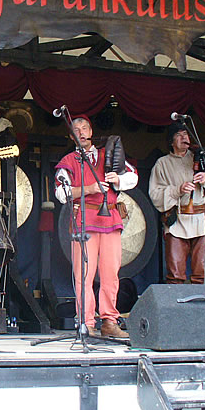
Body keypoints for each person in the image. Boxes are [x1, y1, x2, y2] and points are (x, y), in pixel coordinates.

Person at [55, 115, 137, 338]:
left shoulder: (107, 154)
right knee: (84, 275)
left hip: (110, 219)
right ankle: (86, 322)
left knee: (111, 274)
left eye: (85, 128)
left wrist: (117, 179)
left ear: (91, 132)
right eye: (76, 129)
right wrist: (89, 189)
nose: (81, 132)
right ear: (71, 136)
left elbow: (133, 177)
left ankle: (110, 321)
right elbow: (61, 193)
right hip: (84, 221)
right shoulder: (69, 161)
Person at [149, 121, 205, 284]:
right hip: (177, 222)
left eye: (185, 134)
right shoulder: (162, 163)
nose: (183, 138)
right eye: (178, 135)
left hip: (201, 221)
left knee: (201, 275)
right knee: (175, 276)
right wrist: (178, 189)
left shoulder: (200, 158)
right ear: (171, 142)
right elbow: (155, 194)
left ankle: (200, 301)